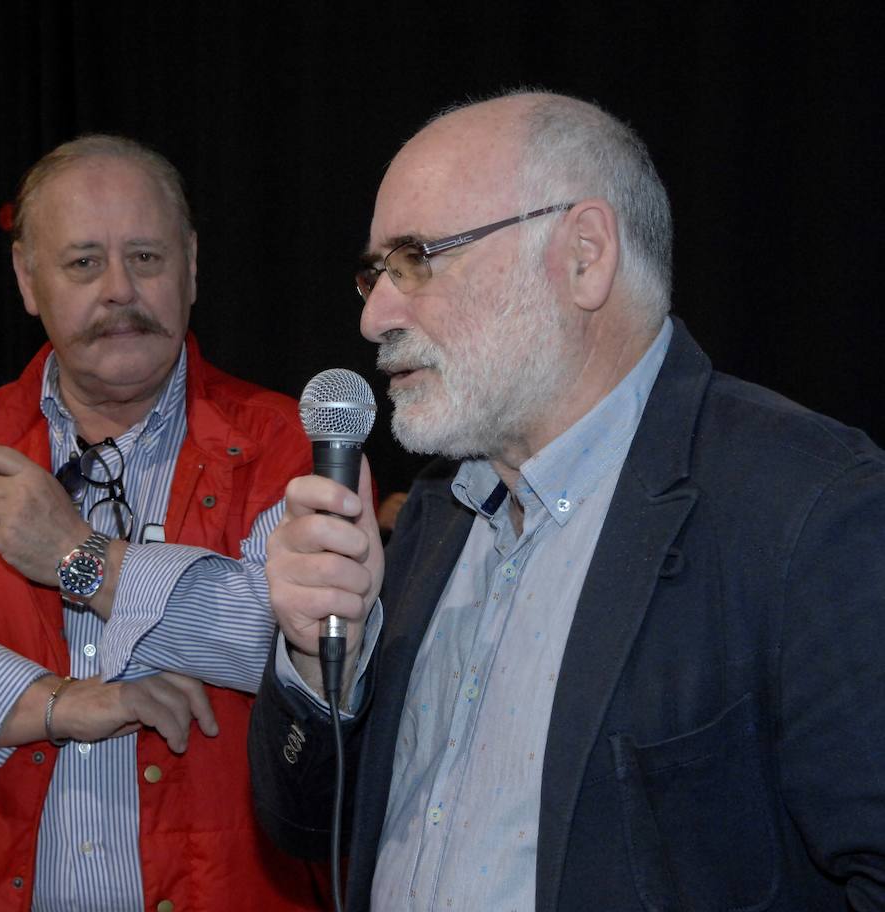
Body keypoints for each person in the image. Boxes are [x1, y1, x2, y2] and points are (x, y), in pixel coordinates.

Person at [248, 90, 885, 911]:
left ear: (584, 255)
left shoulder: (808, 509)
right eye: (374, 273)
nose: (375, 316)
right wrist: (315, 662)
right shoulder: (435, 518)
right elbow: (306, 830)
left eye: (418, 259)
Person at [0, 135, 323, 911]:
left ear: (192, 265)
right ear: (29, 280)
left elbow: (297, 647)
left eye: (148, 259)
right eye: (85, 263)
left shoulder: (291, 442)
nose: (120, 290)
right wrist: (56, 703)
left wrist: (78, 556)